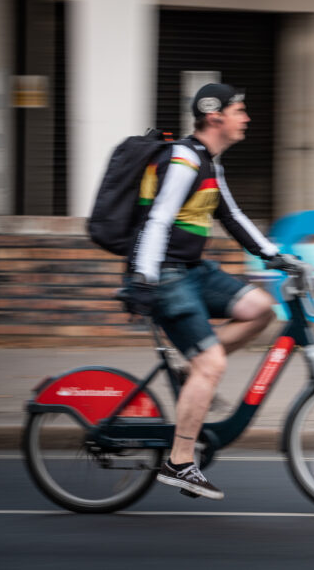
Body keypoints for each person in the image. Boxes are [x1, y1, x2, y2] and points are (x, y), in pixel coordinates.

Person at [121, 83, 299, 499]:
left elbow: (233, 217)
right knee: (213, 363)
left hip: (191, 269)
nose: (247, 118)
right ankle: (180, 462)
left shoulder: (208, 162)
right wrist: (144, 277)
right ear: (215, 116)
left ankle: (191, 372)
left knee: (261, 309)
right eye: (240, 110)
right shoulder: (183, 160)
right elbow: (157, 221)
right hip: (164, 274)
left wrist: (277, 257)